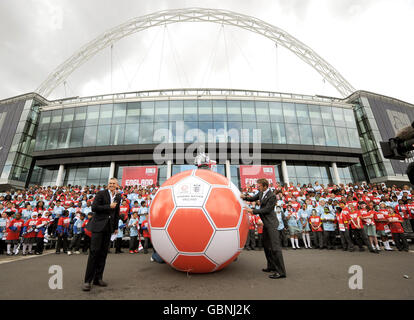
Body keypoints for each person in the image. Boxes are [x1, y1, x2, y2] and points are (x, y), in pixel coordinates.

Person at [241, 178, 286, 279]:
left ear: (265, 186)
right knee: (266, 246)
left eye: (259, 186)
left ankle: (281, 272)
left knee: (275, 247)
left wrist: (253, 211)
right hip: (266, 224)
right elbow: (253, 198)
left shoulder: (272, 196)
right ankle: (271, 266)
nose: (257, 187)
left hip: (272, 224)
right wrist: (244, 197)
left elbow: (267, 209)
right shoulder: (261, 193)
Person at [83, 178, 121, 291]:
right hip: (98, 227)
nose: (112, 185)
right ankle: (87, 281)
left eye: (114, 184)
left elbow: (116, 212)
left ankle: (98, 278)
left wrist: (115, 227)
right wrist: (108, 206)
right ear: (108, 185)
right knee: (94, 252)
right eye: (110, 183)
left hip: (108, 228)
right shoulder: (101, 193)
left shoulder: (118, 196)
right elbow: (94, 208)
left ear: (117, 185)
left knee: (103, 253)